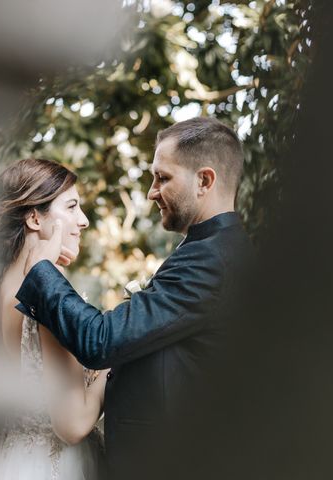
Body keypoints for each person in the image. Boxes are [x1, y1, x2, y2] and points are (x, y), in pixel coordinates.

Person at [16, 117, 256, 480]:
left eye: (163, 177)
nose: (151, 191)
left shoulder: (212, 259)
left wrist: (40, 269)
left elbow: (101, 341)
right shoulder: (213, 250)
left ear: (204, 180)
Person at [0, 158, 107, 480]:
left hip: (6, 459)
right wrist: (113, 363)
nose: (83, 221)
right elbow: (72, 425)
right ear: (34, 218)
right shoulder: (47, 291)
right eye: (71, 207)